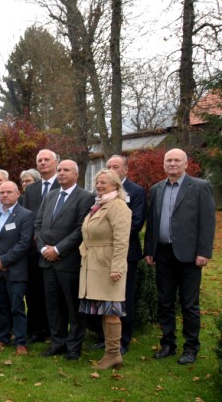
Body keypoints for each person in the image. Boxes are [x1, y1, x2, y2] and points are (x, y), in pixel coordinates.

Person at [144, 148, 215, 365]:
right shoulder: (157, 189)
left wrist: (204, 252)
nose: (172, 163)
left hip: (189, 254)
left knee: (189, 303)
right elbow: (152, 222)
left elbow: (207, 221)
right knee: (165, 301)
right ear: (164, 165)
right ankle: (168, 344)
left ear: (186, 164)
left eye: (177, 160)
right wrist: (149, 250)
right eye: (169, 160)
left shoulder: (200, 187)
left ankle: (191, 347)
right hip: (163, 253)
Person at [36, 160, 95, 360]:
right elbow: (38, 224)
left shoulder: (86, 198)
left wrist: (58, 249)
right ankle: (57, 342)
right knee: (53, 306)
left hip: (68, 262)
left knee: (73, 307)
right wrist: (44, 248)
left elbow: (80, 230)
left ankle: (74, 346)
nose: (61, 173)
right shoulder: (51, 196)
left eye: (66, 170)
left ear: (76, 174)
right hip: (47, 261)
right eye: (59, 170)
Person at [78, 170, 132, 369]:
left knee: (111, 310)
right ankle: (111, 354)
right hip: (92, 264)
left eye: (104, 183)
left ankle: (113, 354)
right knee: (104, 310)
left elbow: (121, 240)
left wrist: (117, 267)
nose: (99, 185)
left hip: (108, 265)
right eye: (97, 182)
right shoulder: (99, 205)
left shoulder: (118, 206)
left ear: (116, 186)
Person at [0, 181, 34, 355]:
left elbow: (24, 243)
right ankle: (2, 337)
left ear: (18, 194)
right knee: (0, 306)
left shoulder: (25, 215)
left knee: (17, 307)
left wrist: (3, 261)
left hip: (15, 271)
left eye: (9, 192)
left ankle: (20, 342)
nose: (4, 195)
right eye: (2, 192)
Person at [104, 155, 146, 354]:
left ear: (125, 170)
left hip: (126, 254)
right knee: (107, 296)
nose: (112, 169)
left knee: (124, 297)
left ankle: (124, 340)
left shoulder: (136, 192)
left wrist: (107, 237)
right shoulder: (101, 193)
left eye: (116, 166)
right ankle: (107, 337)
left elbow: (135, 224)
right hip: (103, 256)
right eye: (108, 166)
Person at [21, 149, 60, 344]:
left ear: (55, 163)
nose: (43, 163)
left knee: (53, 293)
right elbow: (27, 216)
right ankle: (36, 329)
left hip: (56, 249)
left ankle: (55, 331)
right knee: (34, 291)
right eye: (40, 160)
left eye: (47, 160)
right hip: (33, 249)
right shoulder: (32, 189)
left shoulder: (63, 184)